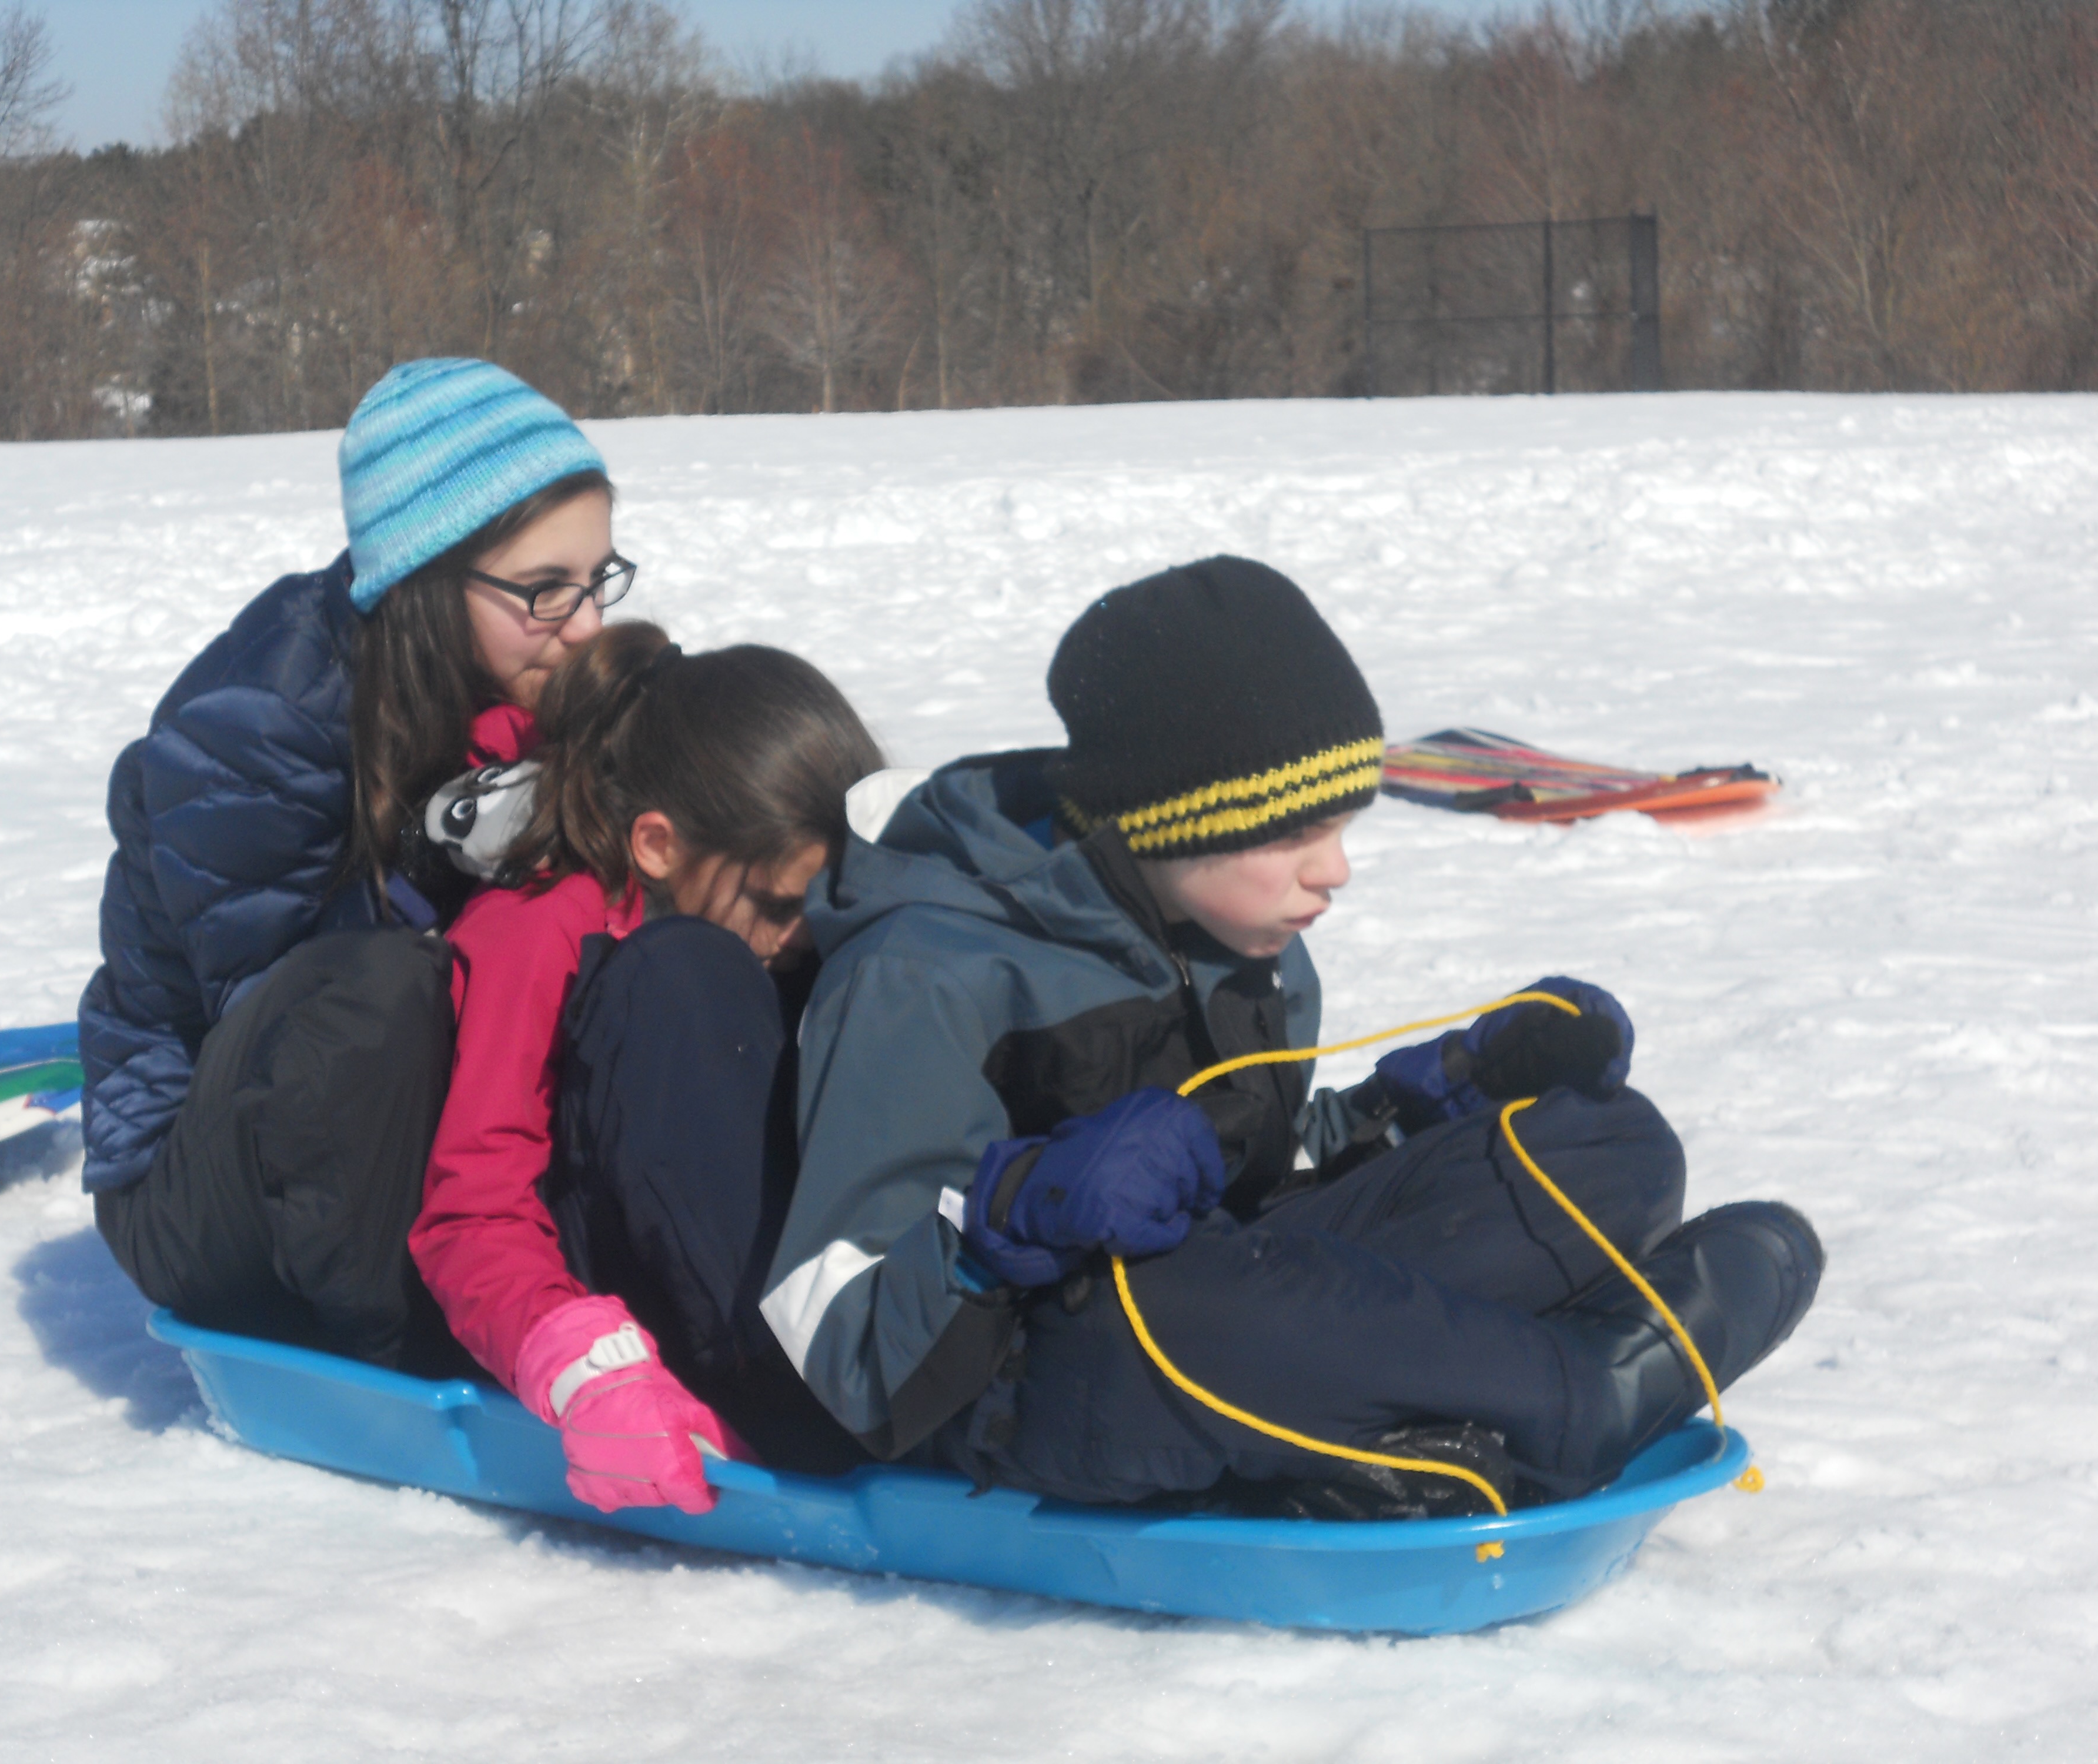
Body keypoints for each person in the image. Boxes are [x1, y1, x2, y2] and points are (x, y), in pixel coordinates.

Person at [757, 555, 1825, 1514]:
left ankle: (1437, 1400)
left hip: (1236, 1287)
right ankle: (1580, 1399)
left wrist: (1430, 1100)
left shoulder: (1236, 931)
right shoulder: (925, 973)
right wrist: (1013, 1218)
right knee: (1182, 1304)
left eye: (1347, 826)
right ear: (1173, 819)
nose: (1337, 871)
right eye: (1299, 833)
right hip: (1043, 1372)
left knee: (1610, 1143)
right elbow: (838, 1338)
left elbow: (1254, 1175)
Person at [81, 358, 632, 1372]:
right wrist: (433, 862)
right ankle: (409, 1336)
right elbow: (289, 1023)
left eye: (597, 580)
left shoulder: (517, 669)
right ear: (426, 576)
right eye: (545, 591)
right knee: (379, 991)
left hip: (364, 1143)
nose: (587, 624)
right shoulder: (256, 724)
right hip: (201, 1182)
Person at [407, 621, 884, 1514]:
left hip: (787, 1282)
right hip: (625, 1304)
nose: (796, 938)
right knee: (685, 974)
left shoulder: (784, 934)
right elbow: (474, 1206)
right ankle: (786, 1386)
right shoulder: (541, 928)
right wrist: (584, 1366)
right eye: (778, 905)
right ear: (658, 845)